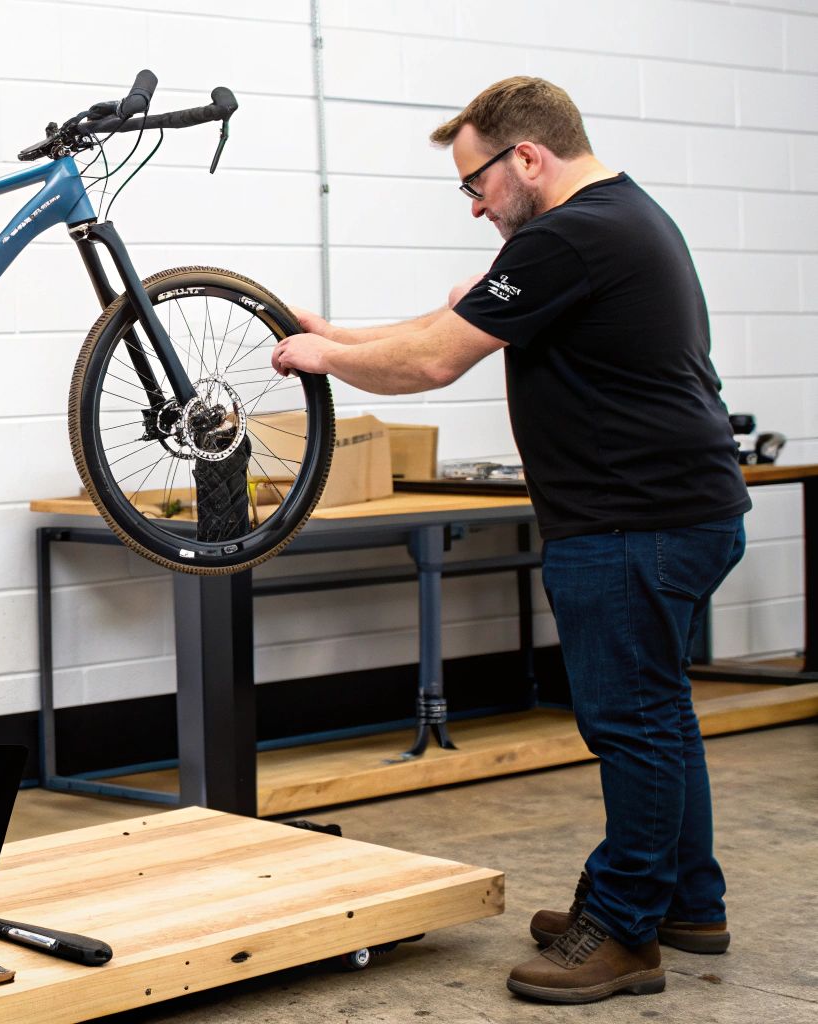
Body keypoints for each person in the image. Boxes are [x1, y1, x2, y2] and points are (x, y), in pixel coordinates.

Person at [270, 76, 751, 1004]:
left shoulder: (570, 234)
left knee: (632, 725)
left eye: (476, 184)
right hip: (678, 510)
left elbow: (435, 358)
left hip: (631, 522)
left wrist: (328, 360)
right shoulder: (615, 217)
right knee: (661, 714)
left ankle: (625, 931)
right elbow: (452, 324)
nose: (477, 203)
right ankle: (690, 902)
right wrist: (339, 333)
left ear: (527, 158)